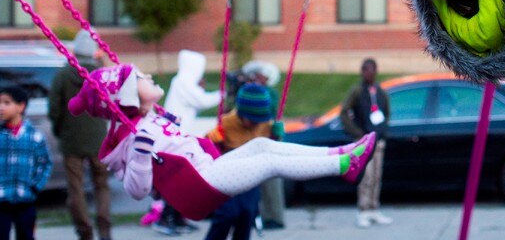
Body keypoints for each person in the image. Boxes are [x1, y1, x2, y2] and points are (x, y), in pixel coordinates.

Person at [68, 64, 375, 205]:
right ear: (128, 97)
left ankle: (341, 155)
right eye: (141, 78)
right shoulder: (135, 138)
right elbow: (137, 190)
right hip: (200, 185)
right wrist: (139, 157)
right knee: (268, 162)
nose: (148, 76)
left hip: (207, 170)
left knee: (263, 145)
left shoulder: (149, 118)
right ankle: (344, 165)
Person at [48, 32, 112, 240]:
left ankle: (85, 232)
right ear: (94, 51)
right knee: (101, 186)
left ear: (74, 51)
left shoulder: (63, 75)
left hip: (71, 139)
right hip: (99, 139)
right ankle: (105, 230)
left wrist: (60, 131)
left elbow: (54, 109)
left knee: (76, 189)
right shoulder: (102, 74)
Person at [154, 49, 224, 235]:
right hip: (174, 140)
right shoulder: (182, 82)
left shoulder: (184, 83)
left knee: (185, 180)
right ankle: (165, 219)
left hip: (181, 138)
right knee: (178, 180)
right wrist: (221, 94)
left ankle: (178, 218)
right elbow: (201, 101)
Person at [203, 84, 278, 240]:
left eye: (260, 120)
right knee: (227, 214)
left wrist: (277, 137)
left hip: (252, 174)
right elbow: (206, 151)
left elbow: (272, 148)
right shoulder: (226, 123)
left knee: (247, 214)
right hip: (227, 175)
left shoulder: (266, 124)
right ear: (241, 113)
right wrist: (213, 140)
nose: (256, 124)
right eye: (252, 120)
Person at [340, 59, 392, 229]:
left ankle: (373, 208)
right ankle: (363, 210)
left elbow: (386, 113)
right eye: (364, 70)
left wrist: (382, 132)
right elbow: (344, 112)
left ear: (375, 71)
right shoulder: (356, 91)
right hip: (363, 141)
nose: (366, 73)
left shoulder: (380, 92)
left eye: (369, 70)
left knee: (377, 175)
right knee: (366, 176)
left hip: (378, 140)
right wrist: (357, 133)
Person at [0, 85, 52, 240]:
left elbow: (45, 164)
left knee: (26, 235)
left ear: (21, 106)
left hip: (25, 199)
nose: (1, 107)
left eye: (6, 103)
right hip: (1, 199)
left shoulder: (34, 136)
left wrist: (35, 186)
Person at [239, 61, 286, 231]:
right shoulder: (249, 90)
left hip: (268, 136)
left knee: (272, 181)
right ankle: (256, 214)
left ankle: (274, 216)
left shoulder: (270, 93)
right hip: (254, 137)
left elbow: (269, 109)